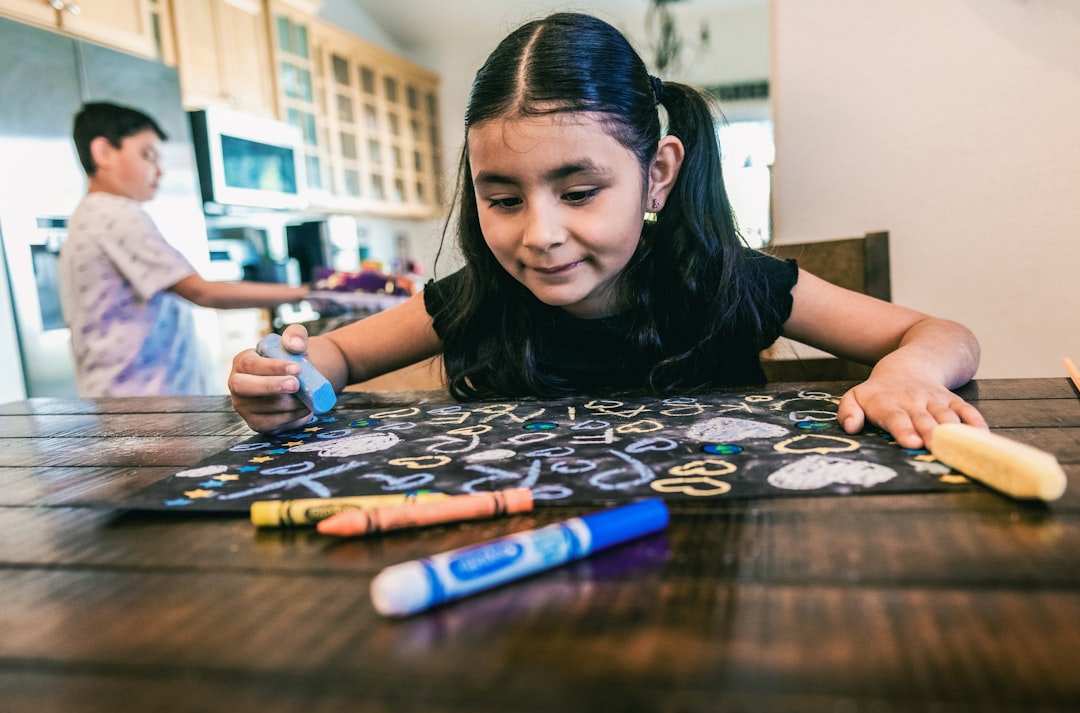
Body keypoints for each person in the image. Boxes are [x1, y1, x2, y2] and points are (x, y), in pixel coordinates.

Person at [228, 12, 986, 450]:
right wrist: (293, 377)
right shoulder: (473, 297)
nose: (541, 235)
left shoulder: (727, 280)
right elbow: (333, 354)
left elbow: (938, 331)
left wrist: (909, 374)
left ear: (656, 173)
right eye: (504, 199)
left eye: (580, 191)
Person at [60, 101, 311, 397]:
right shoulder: (114, 214)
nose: (160, 171)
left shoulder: (90, 215)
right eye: (147, 156)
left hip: (124, 396)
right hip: (139, 400)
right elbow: (203, 292)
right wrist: (304, 293)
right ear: (103, 152)